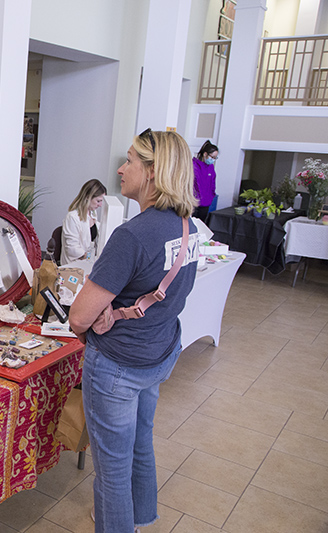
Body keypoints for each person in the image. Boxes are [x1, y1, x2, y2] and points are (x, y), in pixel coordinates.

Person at [69, 129, 198, 533]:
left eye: (130, 161)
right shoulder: (186, 226)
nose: (121, 170)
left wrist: (105, 310)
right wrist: (117, 307)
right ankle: (141, 518)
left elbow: (77, 318)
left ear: (153, 173)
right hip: (157, 354)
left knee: (111, 470)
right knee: (141, 442)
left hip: (119, 368)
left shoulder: (132, 235)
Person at [59, 179, 107, 265]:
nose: (100, 205)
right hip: (74, 266)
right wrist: (91, 258)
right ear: (88, 197)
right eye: (98, 201)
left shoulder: (92, 214)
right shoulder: (72, 217)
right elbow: (72, 250)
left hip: (87, 262)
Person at [192, 140, 219, 221]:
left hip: (205, 203)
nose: (213, 160)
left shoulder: (210, 168)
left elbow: (212, 184)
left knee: (202, 225)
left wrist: (211, 196)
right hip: (194, 203)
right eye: (212, 157)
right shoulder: (193, 165)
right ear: (205, 154)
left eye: (215, 158)